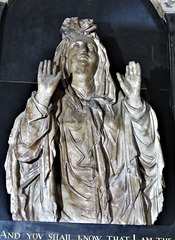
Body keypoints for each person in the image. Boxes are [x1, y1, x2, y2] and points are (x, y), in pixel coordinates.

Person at [5, 17, 165, 225]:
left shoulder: (119, 109)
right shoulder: (51, 107)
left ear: (100, 60)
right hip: (66, 215)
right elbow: (25, 151)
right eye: (77, 46)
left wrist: (134, 102)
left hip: (120, 212)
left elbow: (149, 153)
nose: (84, 51)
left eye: (90, 48)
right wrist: (42, 99)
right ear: (64, 57)